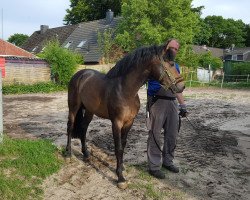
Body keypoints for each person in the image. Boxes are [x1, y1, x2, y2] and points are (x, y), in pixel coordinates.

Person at [146, 39, 187, 179]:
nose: (174, 51)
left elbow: (177, 88)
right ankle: (154, 166)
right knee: (155, 134)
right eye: (172, 47)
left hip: (172, 102)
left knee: (172, 134)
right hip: (157, 101)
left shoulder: (175, 65)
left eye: (176, 49)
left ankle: (168, 161)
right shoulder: (154, 62)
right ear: (166, 46)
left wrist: (183, 105)